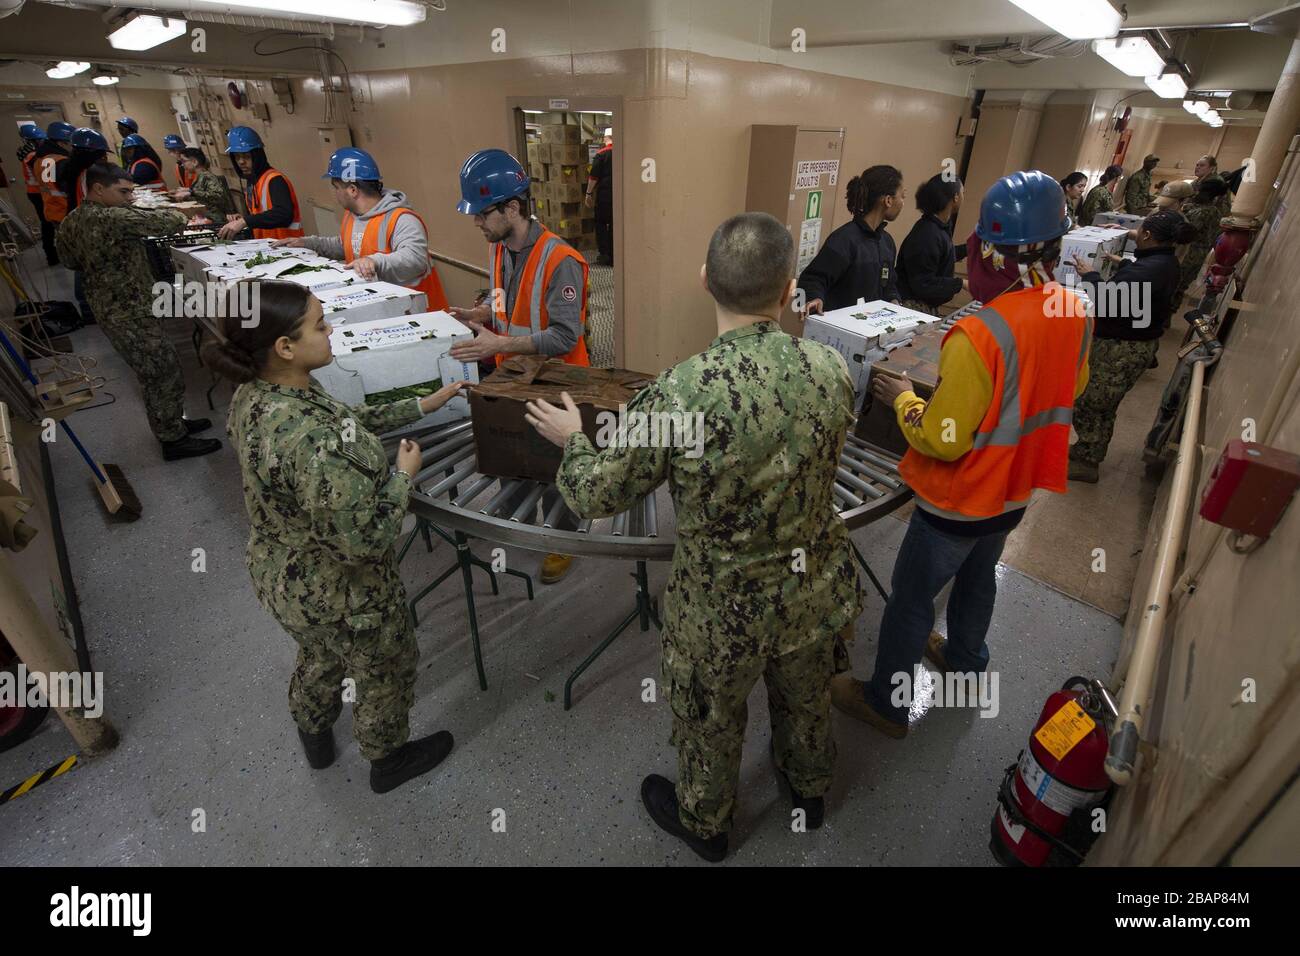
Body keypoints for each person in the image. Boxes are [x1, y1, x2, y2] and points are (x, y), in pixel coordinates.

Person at [526, 211, 861, 861]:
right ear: (790, 287)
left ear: (705, 279)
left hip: (721, 606)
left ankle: (706, 824)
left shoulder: (680, 396)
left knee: (710, 715)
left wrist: (573, 443)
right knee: (807, 694)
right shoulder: (830, 368)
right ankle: (810, 789)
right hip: (811, 583)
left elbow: (596, 493)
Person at [831, 170, 1090, 738]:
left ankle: (886, 703)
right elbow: (1069, 389)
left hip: (959, 499)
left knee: (909, 600)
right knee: (979, 577)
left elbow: (943, 436)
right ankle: (967, 659)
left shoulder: (981, 335)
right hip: (1014, 491)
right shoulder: (1074, 310)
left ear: (990, 255)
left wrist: (902, 401)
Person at [205, 280, 465, 793]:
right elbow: (365, 539)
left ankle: (314, 730)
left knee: (321, 655)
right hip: (342, 590)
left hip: (283, 578)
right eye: (321, 325)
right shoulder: (312, 441)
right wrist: (403, 476)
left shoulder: (261, 393)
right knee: (385, 667)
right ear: (285, 346)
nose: (331, 331)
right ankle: (388, 759)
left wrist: (420, 405)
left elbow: (346, 421)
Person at [448, 148, 589, 585]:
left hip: (558, 381)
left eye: (482, 213)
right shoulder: (499, 249)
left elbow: (564, 337)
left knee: (557, 465)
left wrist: (499, 342)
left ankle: (563, 541)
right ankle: (517, 515)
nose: (476, 222)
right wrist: (482, 318)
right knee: (516, 452)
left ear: (512, 207)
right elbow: (508, 305)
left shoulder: (559, 260)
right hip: (515, 377)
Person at [53, 164, 220, 460]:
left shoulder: (71, 221)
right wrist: (139, 208)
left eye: (131, 191)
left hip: (109, 306)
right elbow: (169, 221)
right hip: (130, 310)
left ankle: (172, 424)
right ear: (98, 189)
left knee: (154, 368)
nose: (129, 197)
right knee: (160, 370)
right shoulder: (112, 217)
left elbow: (69, 261)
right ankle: (173, 439)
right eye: (123, 191)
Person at [1068, 209, 1195, 484]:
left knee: (1092, 402)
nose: (1136, 235)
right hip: (1133, 343)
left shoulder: (1148, 270)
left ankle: (1087, 462)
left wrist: (1090, 276)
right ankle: (1087, 450)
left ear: (1148, 235)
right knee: (1104, 404)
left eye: (1140, 231)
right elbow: (1142, 285)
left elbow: (1107, 303)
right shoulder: (1165, 261)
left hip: (1121, 349)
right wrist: (1122, 264)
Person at [272, 147, 448, 310]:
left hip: (420, 315)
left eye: (336, 187)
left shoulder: (401, 219)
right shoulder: (353, 216)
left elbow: (414, 258)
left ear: (352, 190)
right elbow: (345, 247)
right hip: (383, 309)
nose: (334, 193)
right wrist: (308, 243)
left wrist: (374, 261)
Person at [797, 165, 904, 314]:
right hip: (840, 330)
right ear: (888, 200)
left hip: (872, 329)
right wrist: (815, 297)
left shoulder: (887, 242)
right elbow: (812, 279)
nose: (903, 203)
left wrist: (894, 301)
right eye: (902, 196)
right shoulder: (844, 240)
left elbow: (889, 284)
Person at [896, 173, 968, 315]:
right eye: (963, 192)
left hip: (923, 307)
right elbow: (924, 284)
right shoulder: (927, 234)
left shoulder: (938, 228)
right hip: (911, 309)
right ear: (955, 197)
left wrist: (971, 248)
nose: (964, 197)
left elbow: (942, 256)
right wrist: (961, 284)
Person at [217, 126, 304, 240]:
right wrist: (242, 219)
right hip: (268, 247)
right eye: (237, 157)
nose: (241, 162)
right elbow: (260, 215)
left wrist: (245, 221)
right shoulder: (252, 182)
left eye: (246, 156)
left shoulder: (275, 180)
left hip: (287, 248)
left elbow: (283, 214)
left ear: (257, 156)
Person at [1174, 176, 1229, 306]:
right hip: (1200, 255)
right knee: (1181, 287)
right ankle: (1167, 316)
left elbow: (1184, 233)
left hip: (1187, 253)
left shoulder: (1200, 212)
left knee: (1174, 285)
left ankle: (1162, 316)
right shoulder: (1216, 212)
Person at [17, 124, 56, 266]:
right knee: (48, 223)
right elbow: (47, 175)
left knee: (48, 223)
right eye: (40, 141)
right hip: (39, 193)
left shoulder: (27, 152)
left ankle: (52, 253)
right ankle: (52, 255)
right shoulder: (33, 155)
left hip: (36, 192)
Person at [174, 148, 234, 226]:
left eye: (184, 161)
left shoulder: (207, 177)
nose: (182, 164)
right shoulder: (200, 176)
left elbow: (218, 195)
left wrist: (191, 193)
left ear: (195, 162)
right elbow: (202, 193)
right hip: (206, 217)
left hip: (216, 220)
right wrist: (188, 191)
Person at [61, 128, 110, 213]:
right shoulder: (86, 175)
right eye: (101, 154)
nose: (105, 158)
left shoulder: (72, 169)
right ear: (88, 153)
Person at [585, 128, 614, 266]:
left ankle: (605, 255)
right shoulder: (624, 152)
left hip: (605, 196)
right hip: (620, 196)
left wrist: (588, 193)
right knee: (616, 224)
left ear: (606, 138)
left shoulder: (601, 154)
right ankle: (616, 253)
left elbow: (593, 176)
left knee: (601, 224)